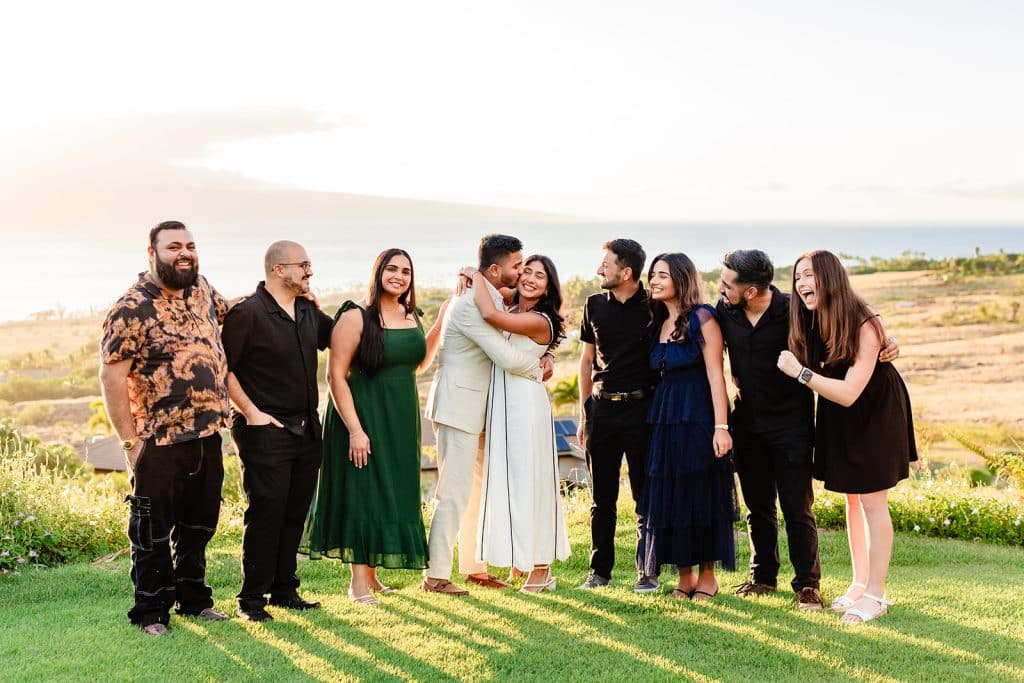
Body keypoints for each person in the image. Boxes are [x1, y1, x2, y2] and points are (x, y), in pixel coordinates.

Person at [718, 250, 901, 610]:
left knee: (797, 507)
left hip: (793, 423)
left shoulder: (794, 311)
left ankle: (807, 585)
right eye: (798, 277)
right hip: (748, 421)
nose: (721, 288)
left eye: (727, 283)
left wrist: (885, 338)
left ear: (751, 290)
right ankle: (763, 577)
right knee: (758, 507)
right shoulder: (724, 312)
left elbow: (853, 327)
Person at [99, 220, 233, 636]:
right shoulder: (130, 307)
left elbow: (232, 313)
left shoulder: (203, 290)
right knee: (151, 534)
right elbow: (111, 377)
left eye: (191, 245)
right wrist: (130, 443)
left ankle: (194, 600)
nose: (185, 252)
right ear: (152, 253)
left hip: (207, 435)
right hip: (157, 441)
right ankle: (151, 612)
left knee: (199, 527)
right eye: (174, 246)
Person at [778, 249, 917, 624]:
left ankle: (876, 594)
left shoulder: (864, 322)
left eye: (810, 275)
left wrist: (800, 373)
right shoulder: (811, 316)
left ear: (831, 277)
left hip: (873, 413)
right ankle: (859, 584)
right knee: (853, 501)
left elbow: (850, 391)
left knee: (873, 501)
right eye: (797, 278)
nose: (803, 284)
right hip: (841, 415)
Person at [303, 248, 442, 605]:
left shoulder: (410, 315)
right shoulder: (356, 315)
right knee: (363, 493)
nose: (399, 276)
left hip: (399, 417)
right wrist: (355, 430)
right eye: (392, 269)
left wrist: (440, 322)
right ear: (378, 271)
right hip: (362, 416)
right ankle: (358, 584)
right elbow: (335, 376)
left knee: (388, 492)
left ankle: (374, 578)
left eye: (406, 271)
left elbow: (418, 363)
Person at [422, 234, 546, 596]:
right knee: (453, 493)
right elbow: (504, 356)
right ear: (495, 269)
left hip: (479, 412)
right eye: (516, 265)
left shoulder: (489, 296)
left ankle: (474, 568)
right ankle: (435, 576)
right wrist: (539, 369)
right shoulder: (468, 306)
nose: (521, 271)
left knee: (476, 492)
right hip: (459, 409)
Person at [221, 241, 334, 621]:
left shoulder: (307, 310)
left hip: (306, 430)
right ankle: (251, 601)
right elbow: (225, 370)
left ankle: (285, 590)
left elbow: (337, 338)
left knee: (294, 512)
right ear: (278, 270)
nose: (309, 271)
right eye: (303, 265)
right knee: (266, 512)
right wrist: (251, 412)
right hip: (264, 430)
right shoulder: (247, 314)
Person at [636, 253, 737, 600]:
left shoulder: (703, 317)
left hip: (699, 414)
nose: (655, 280)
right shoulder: (657, 321)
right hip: (665, 417)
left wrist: (721, 426)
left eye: (662, 275)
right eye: (653, 275)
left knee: (702, 491)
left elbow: (715, 376)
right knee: (673, 494)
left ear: (681, 279)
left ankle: (708, 576)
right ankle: (685, 575)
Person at [470, 255, 571, 593]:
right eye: (526, 270)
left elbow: (488, 314)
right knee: (511, 482)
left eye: (539, 276)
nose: (529, 278)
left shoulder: (539, 319)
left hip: (525, 406)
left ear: (548, 286)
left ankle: (542, 570)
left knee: (532, 482)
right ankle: (522, 558)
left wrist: (475, 275)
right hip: (503, 407)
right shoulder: (512, 308)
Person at [576, 239, 660, 592]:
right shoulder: (594, 305)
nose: (599, 270)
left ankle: (647, 572)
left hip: (643, 411)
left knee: (645, 496)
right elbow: (585, 361)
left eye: (606, 265)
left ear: (626, 272)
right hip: (602, 411)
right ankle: (599, 572)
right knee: (602, 499)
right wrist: (584, 414)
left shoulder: (655, 307)